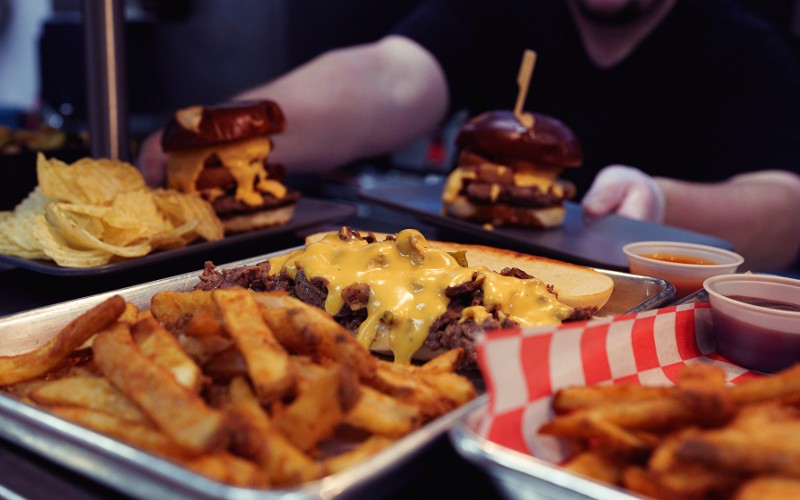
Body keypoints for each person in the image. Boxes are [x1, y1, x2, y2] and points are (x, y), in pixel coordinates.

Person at [138, 0, 800, 272]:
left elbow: (782, 206)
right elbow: (388, 78)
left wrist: (658, 206)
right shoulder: (502, 9)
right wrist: (223, 134)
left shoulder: (743, 45)